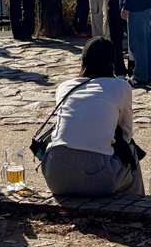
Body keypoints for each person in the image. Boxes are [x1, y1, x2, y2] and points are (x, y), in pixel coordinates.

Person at [41, 38, 142, 196]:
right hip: (97, 175)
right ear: (113, 64)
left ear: (82, 62)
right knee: (131, 152)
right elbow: (126, 135)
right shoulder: (120, 86)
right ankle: (136, 204)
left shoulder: (64, 87)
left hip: (54, 174)